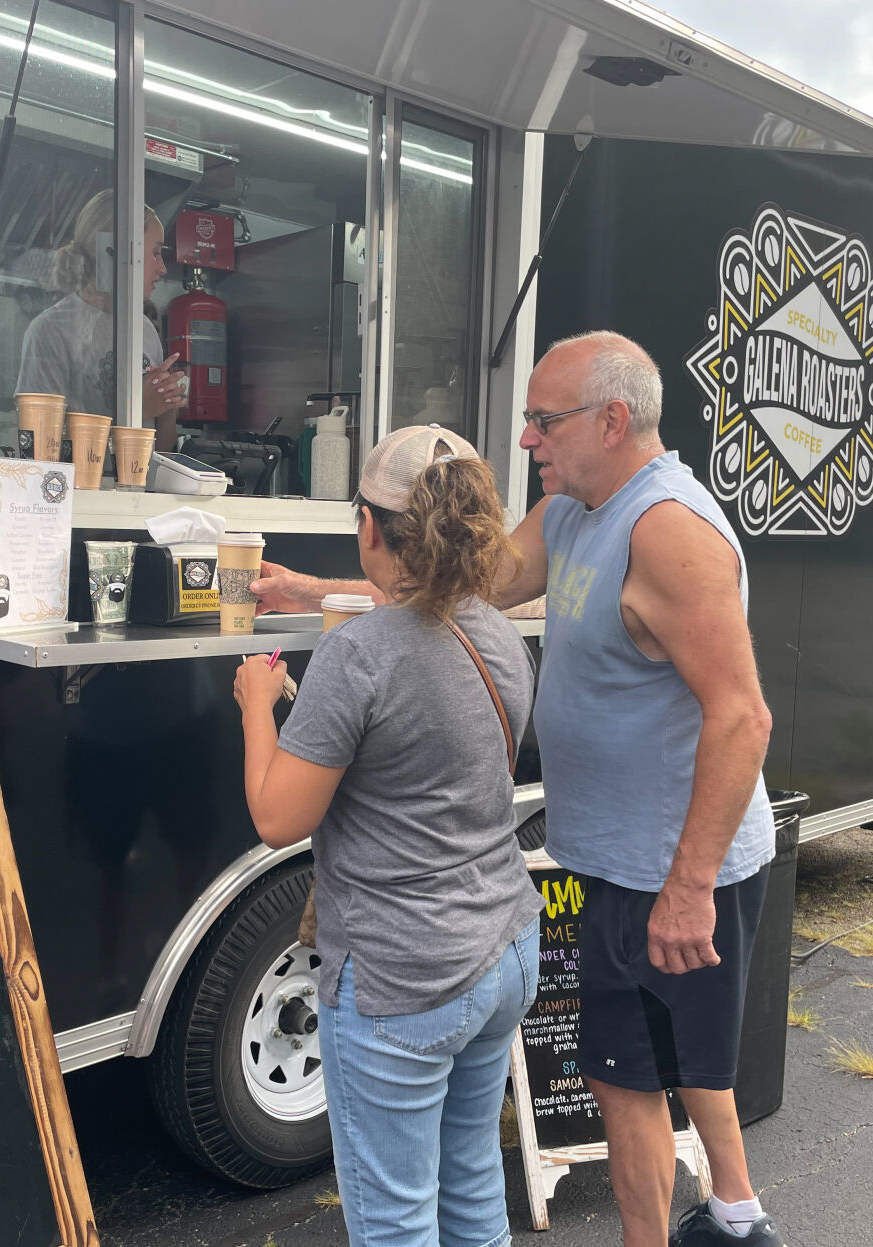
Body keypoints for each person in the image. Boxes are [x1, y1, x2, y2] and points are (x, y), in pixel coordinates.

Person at [251, 333, 783, 1247]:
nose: (528, 439)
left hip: (676, 866)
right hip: (610, 862)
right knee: (626, 1080)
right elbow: (450, 583)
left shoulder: (669, 530)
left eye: (544, 420)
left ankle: (738, 1219)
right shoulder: (576, 511)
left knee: (677, 1066)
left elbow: (743, 717)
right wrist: (309, 586)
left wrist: (691, 887)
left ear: (612, 421)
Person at [231, 424, 543, 1247]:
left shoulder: (357, 657)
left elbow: (276, 818)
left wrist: (257, 708)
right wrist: (304, 588)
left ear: (370, 526)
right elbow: (416, 608)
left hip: (405, 976)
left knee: (396, 1218)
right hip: (503, 945)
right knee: (472, 1179)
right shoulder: (499, 634)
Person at [16, 190, 187, 443]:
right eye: (155, 252)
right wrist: (136, 412)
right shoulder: (50, 330)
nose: (162, 267)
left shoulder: (145, 330)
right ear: (115, 252)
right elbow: (41, 445)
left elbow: (162, 454)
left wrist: (168, 408)